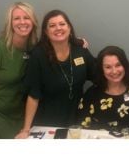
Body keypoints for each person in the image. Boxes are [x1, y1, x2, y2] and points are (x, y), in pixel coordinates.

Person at [15, 9, 95, 138]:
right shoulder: (38, 55)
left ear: (69, 28)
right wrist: (25, 129)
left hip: (77, 120)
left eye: (62, 24)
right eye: (52, 26)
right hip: (47, 122)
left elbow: (98, 76)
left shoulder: (80, 50)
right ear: (46, 32)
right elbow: (33, 95)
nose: (58, 28)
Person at [77, 46, 129, 133]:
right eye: (108, 67)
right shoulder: (92, 94)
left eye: (118, 65)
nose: (114, 71)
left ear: (124, 65)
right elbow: (82, 127)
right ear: (101, 69)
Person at [0, 2, 38, 138]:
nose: (22, 22)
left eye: (26, 17)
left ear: (33, 21)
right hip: (0, 116)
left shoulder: (34, 47)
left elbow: (56, 42)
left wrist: (75, 41)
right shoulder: (0, 49)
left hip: (23, 117)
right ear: (10, 23)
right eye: (16, 18)